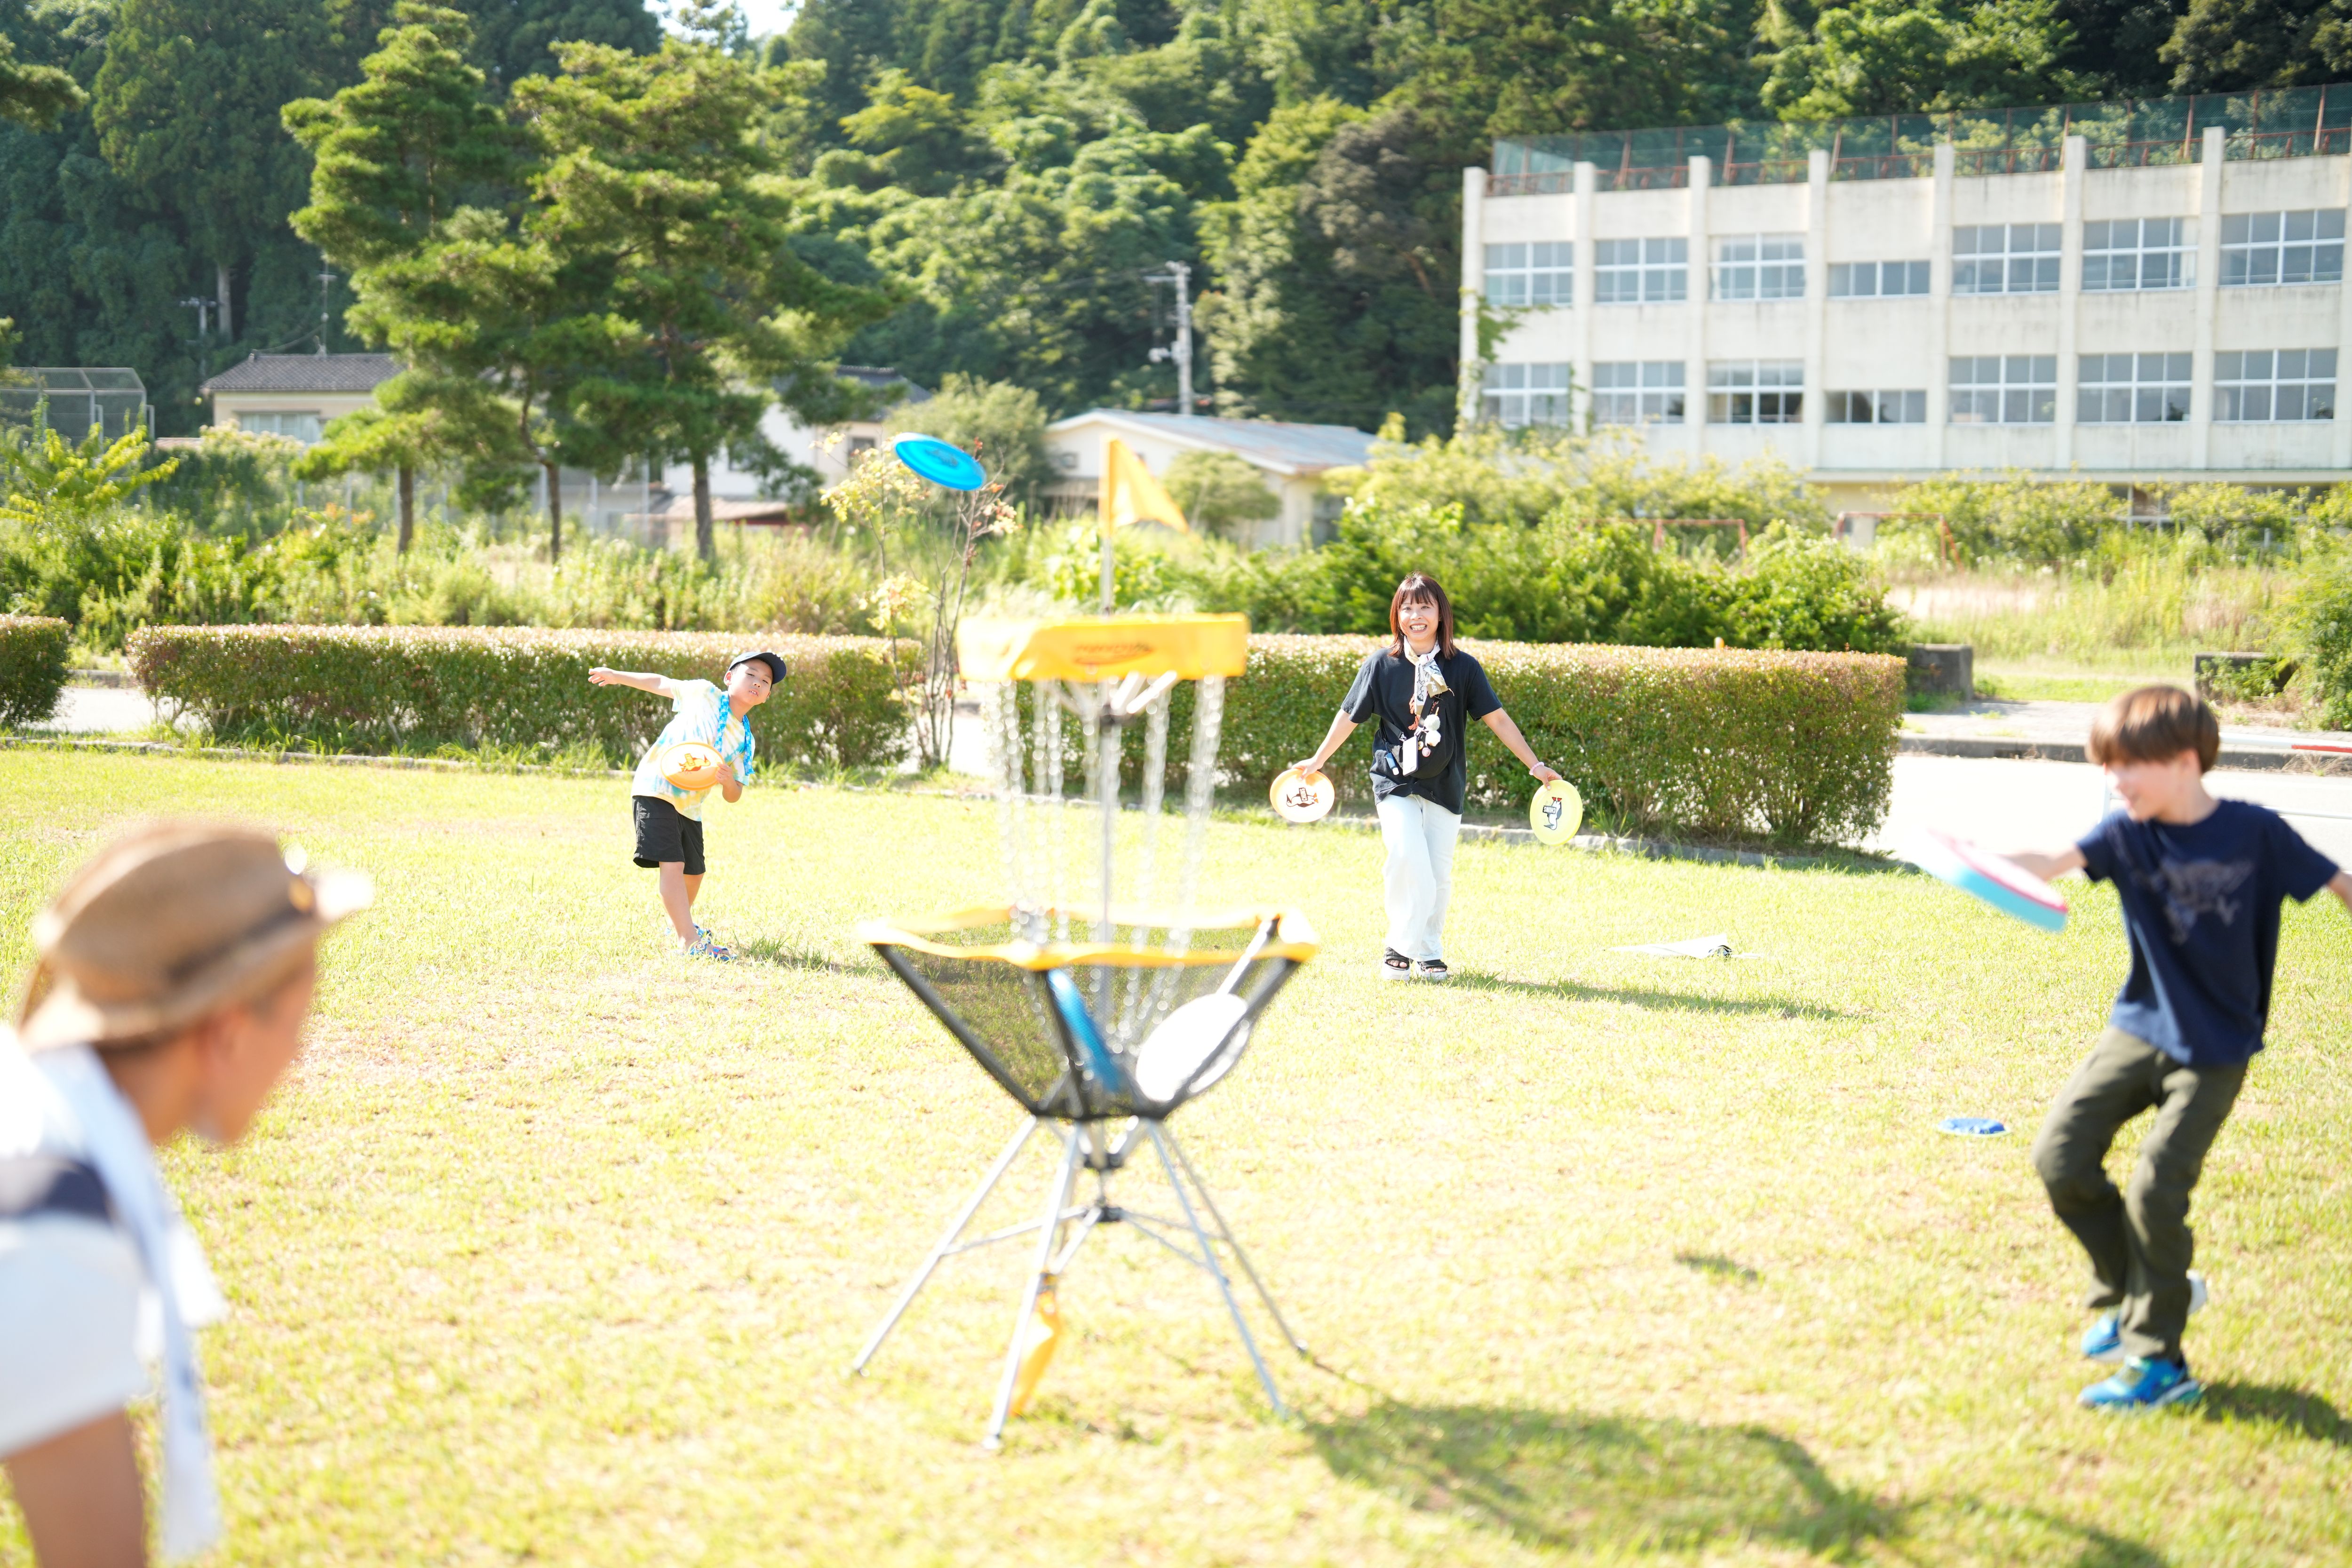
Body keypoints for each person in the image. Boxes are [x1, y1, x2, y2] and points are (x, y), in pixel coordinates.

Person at [1, 824, 369, 1565]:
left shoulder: (45, 1126)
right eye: (301, 1024)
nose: (299, 1057)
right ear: (228, 1030)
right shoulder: (49, 1220)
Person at [2006, 687, 2349, 1411]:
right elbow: (2051, 859)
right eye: (2109, 766)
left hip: (2216, 1047)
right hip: (2138, 1028)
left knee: (2157, 1188)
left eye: (2130, 765)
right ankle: (2145, 1289)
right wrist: (1981, 860)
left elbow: (2340, 884)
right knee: (2059, 1157)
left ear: (2187, 761)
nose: (2116, 781)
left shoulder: (2257, 833)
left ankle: (2160, 1363)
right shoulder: (2126, 834)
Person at [1290, 572, 1561, 981]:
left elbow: (1498, 719)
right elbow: (1349, 715)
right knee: (1405, 855)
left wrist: (1535, 764)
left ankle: (1429, 950)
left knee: (1437, 873)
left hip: (1445, 783)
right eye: (1407, 607)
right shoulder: (1380, 665)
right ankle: (1399, 947)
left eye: (1424, 606)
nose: (1415, 615)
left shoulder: (1463, 667)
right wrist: (1318, 759)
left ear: (1440, 614)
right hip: (1394, 779)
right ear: (1397, 614)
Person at [589, 650, 782, 960]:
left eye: (766, 681)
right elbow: (661, 682)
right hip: (657, 786)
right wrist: (617, 676)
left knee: (695, 872)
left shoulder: (746, 740)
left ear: (768, 695)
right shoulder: (703, 693)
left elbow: (734, 795)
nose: (758, 683)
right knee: (673, 866)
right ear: (729, 678)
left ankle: (679, 923)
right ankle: (689, 941)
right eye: (751, 674)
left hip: (690, 806)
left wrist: (728, 780)